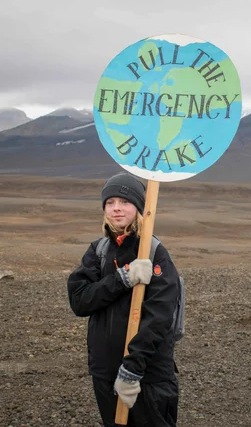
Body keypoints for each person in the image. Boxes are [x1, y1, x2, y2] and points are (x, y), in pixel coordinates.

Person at [68, 172, 180, 427]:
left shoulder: (154, 252)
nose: (116, 208)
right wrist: (122, 278)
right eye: (110, 202)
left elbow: (159, 318)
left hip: (147, 377)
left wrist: (132, 369)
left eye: (125, 202)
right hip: (105, 373)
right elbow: (80, 301)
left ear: (139, 207)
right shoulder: (99, 251)